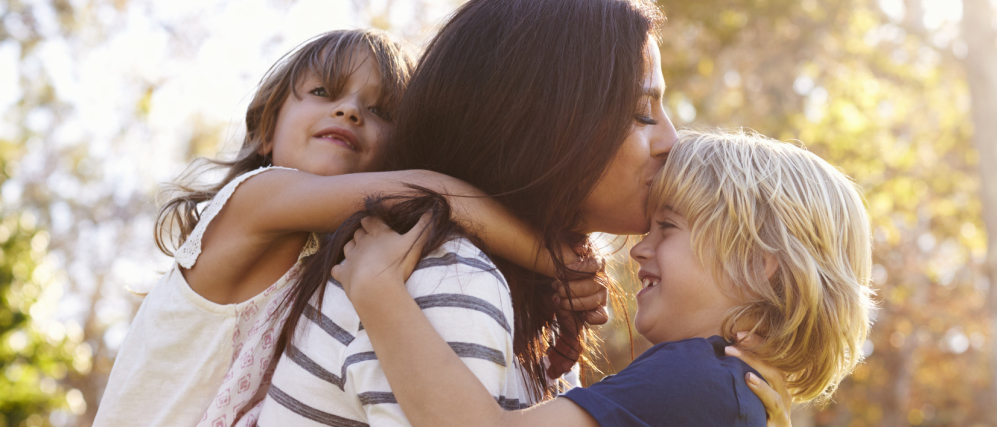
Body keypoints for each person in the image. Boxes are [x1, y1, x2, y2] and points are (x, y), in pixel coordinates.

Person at [94, 29, 606, 427]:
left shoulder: (330, 256)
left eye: (379, 110)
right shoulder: (254, 199)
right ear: (267, 129)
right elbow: (435, 192)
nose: (349, 110)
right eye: (323, 91)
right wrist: (556, 263)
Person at [335, 130, 876, 427]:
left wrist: (377, 289)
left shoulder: (696, 378)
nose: (640, 247)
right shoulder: (728, 395)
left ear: (760, 264)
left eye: (667, 228)